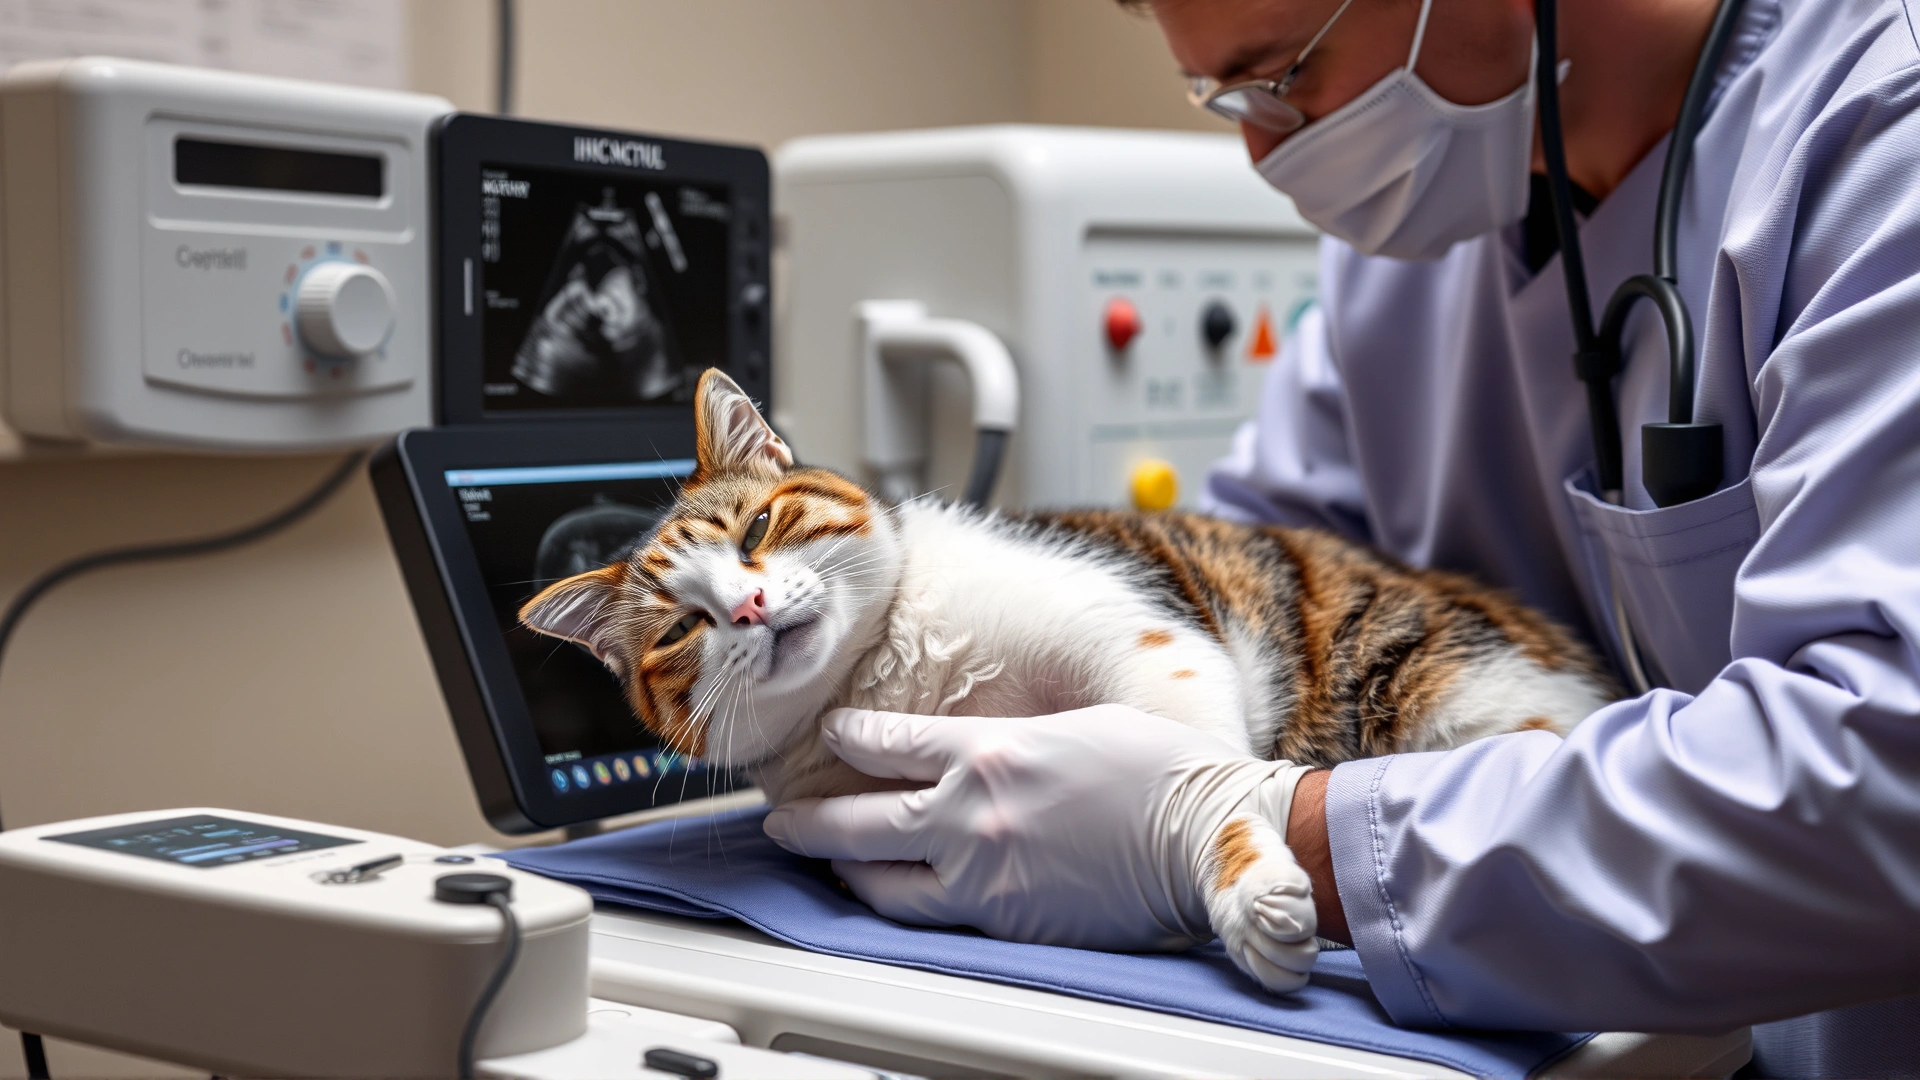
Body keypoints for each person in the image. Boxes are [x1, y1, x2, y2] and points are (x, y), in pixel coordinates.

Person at [762, 0, 1920, 1074]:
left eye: (1283, 76)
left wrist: (1265, 833)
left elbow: (1882, 783)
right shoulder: (1417, 254)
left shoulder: (1881, 130)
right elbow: (1268, 585)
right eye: (1226, 100)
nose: (1266, 153)